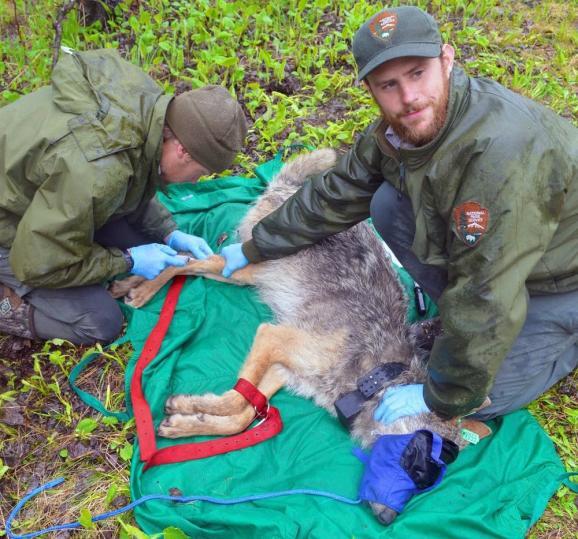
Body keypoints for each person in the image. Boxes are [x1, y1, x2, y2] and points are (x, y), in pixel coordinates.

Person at [219, 5, 578, 422]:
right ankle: (467, 324)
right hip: (504, 258)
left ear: (447, 60)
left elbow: (485, 292)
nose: (408, 98)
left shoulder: (499, 156)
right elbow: (339, 192)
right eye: (389, 84)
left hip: (561, 280)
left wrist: (438, 397)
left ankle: (560, 337)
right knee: (386, 204)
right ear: (370, 89)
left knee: (476, 397)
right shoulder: (401, 131)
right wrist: (258, 245)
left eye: (418, 73)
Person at [0, 48, 247, 346]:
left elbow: (134, 169)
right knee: (100, 321)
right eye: (201, 171)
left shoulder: (146, 107)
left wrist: (169, 233)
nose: (197, 180)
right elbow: (38, 262)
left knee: (141, 240)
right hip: (13, 227)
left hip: (37, 195)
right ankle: (7, 302)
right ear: (183, 151)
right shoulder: (96, 171)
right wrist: (127, 262)